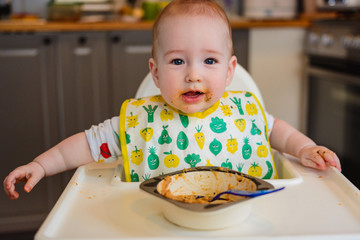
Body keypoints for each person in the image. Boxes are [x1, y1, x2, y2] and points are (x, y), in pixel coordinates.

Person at [3, 0, 341, 199]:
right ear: (155, 72)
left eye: (209, 61)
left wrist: (305, 148)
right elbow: (86, 146)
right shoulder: (139, 122)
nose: (193, 74)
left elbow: (277, 131)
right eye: (178, 61)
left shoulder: (244, 112)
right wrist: (42, 165)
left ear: (229, 70)